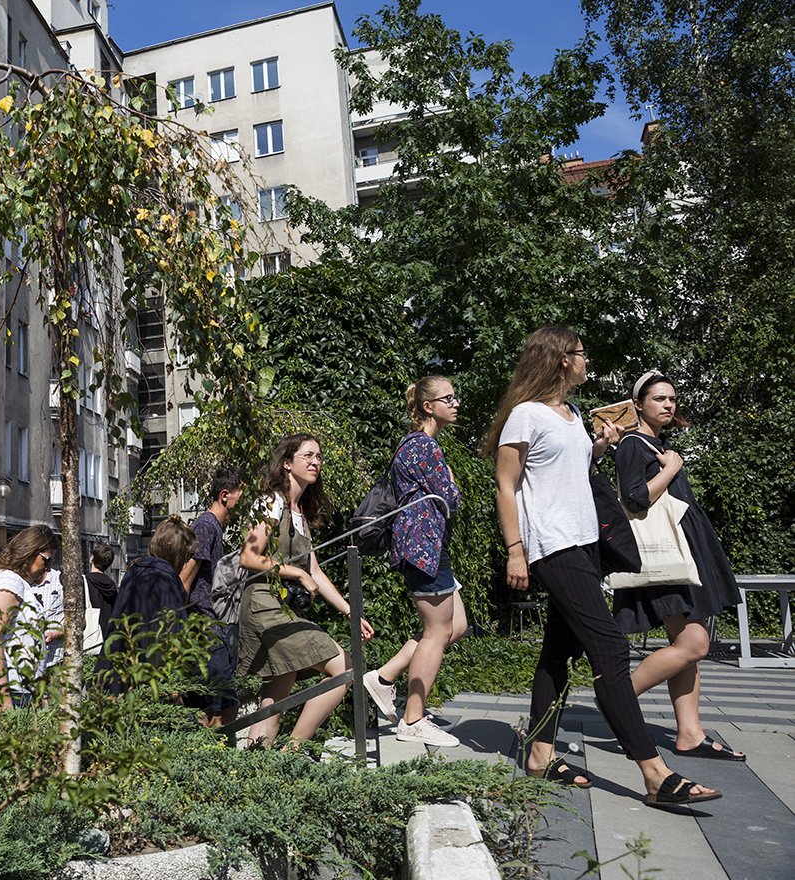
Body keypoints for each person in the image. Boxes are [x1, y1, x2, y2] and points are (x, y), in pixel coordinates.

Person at [487, 325, 720, 807]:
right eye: (581, 352)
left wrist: (598, 447)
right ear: (559, 360)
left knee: (558, 652)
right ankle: (654, 774)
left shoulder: (573, 414)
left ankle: (540, 755)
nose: (587, 360)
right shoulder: (525, 416)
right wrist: (515, 549)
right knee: (610, 650)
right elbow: (506, 486)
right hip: (551, 547)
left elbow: (570, 474)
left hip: (586, 543)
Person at [615, 372, 745, 760]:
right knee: (694, 644)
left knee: (687, 644)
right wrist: (671, 469)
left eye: (672, 399)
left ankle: (689, 733)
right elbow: (634, 500)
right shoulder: (633, 446)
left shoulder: (659, 443)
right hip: (665, 558)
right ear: (638, 404)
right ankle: (617, 698)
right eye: (658, 399)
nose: (668, 405)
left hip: (684, 556)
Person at [237, 434, 375, 747]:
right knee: (345, 667)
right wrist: (295, 572)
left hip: (281, 609)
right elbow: (248, 557)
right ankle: (293, 750)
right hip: (265, 608)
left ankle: (256, 764)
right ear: (287, 463)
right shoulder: (271, 501)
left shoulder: (298, 513)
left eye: (319, 457)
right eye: (308, 456)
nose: (316, 462)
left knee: (276, 694)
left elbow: (315, 571)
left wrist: (349, 610)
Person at [362, 377, 468, 747]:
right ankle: (413, 718)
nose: (455, 403)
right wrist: (452, 483)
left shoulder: (419, 445)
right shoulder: (424, 447)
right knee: (437, 632)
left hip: (428, 545)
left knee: (456, 626)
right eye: (448, 398)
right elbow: (450, 499)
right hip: (423, 547)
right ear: (428, 406)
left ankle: (384, 677)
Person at [0, 525, 60, 709]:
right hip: (11, 690)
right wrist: (4, 697)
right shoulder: (8, 581)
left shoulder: (14, 582)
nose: (47, 568)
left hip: (19, 688)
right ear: (30, 552)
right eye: (46, 560)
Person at [100, 517, 196, 694]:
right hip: (149, 684)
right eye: (186, 556)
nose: (185, 563)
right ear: (176, 553)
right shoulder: (165, 580)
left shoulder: (135, 572)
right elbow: (171, 639)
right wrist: (175, 693)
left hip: (117, 676)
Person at [181, 468, 244, 726]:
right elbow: (184, 579)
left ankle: (203, 757)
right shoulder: (205, 527)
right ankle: (212, 759)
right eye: (243, 496)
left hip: (210, 626)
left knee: (211, 707)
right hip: (203, 628)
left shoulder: (214, 528)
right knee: (225, 706)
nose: (245, 504)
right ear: (225, 495)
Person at [84, 542, 118, 644]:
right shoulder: (112, 585)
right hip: (109, 638)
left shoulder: (85, 581)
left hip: (91, 639)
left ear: (91, 558)